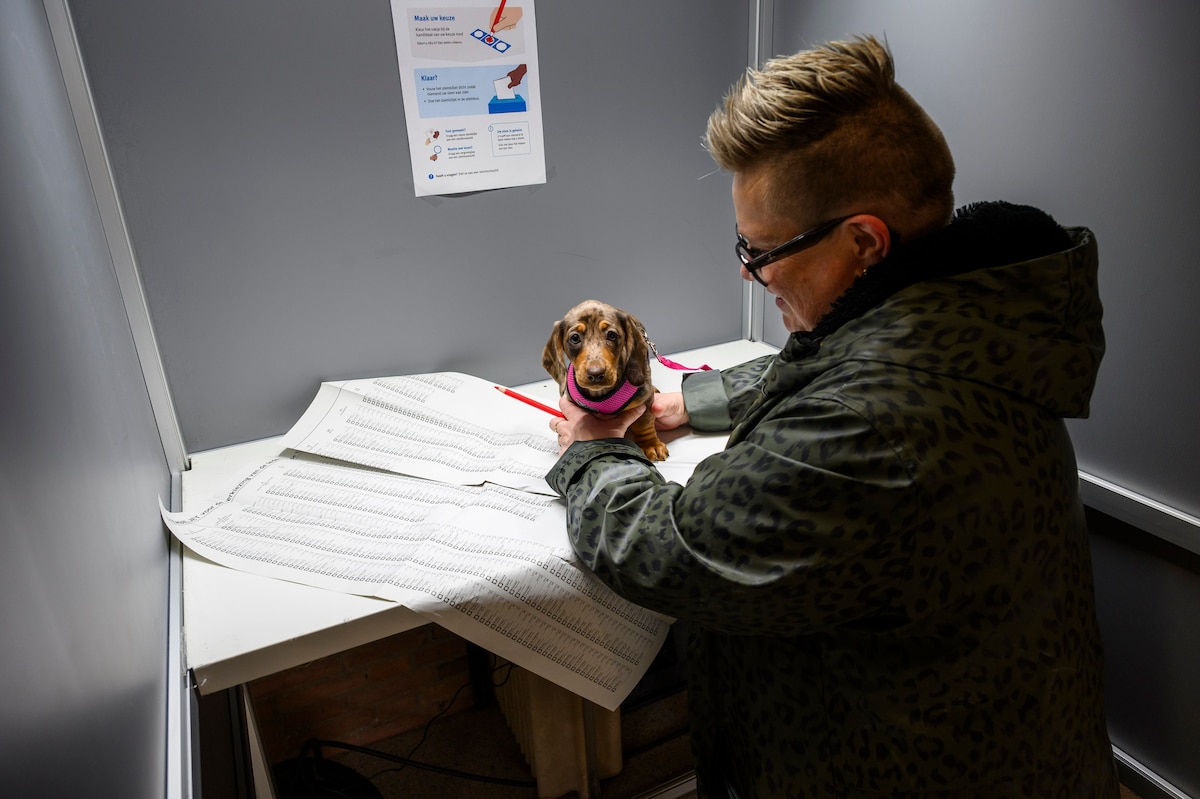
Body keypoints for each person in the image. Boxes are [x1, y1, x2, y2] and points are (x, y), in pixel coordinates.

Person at [545, 35, 1119, 799]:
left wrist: (592, 449)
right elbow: (836, 355)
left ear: (863, 242)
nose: (747, 271)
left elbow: (670, 550)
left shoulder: (866, 427)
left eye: (759, 251)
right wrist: (702, 398)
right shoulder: (975, 311)